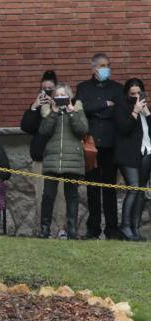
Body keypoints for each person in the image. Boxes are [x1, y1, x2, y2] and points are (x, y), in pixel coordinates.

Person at [76, 53, 123, 239]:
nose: (106, 68)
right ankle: (93, 228)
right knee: (92, 188)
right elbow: (81, 108)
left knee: (110, 187)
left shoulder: (118, 89)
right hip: (91, 144)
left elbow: (118, 109)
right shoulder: (83, 88)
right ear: (93, 68)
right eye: (103, 65)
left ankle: (112, 228)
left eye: (108, 65)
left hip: (111, 144)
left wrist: (95, 109)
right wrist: (104, 104)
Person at [21, 70, 68, 238]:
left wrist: (55, 106)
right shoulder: (37, 106)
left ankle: (61, 229)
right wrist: (34, 107)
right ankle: (42, 229)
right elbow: (27, 127)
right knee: (41, 195)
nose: (47, 91)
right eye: (44, 88)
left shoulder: (64, 105)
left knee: (61, 197)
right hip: (41, 158)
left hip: (60, 158)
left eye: (51, 89)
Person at [39, 84, 88, 239]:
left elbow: (82, 130)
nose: (60, 98)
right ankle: (45, 229)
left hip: (72, 159)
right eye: (57, 95)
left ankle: (72, 230)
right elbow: (44, 131)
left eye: (63, 95)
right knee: (48, 195)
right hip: (52, 159)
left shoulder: (77, 110)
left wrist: (71, 112)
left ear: (69, 97)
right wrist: (53, 113)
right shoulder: (49, 112)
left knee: (72, 196)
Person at [113, 78, 150, 241]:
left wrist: (147, 113)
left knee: (141, 190)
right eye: (132, 94)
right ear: (127, 94)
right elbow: (124, 129)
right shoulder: (121, 107)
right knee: (133, 188)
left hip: (145, 153)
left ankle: (135, 228)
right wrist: (135, 111)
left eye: (138, 93)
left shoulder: (145, 108)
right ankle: (125, 227)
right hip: (127, 155)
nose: (136, 96)